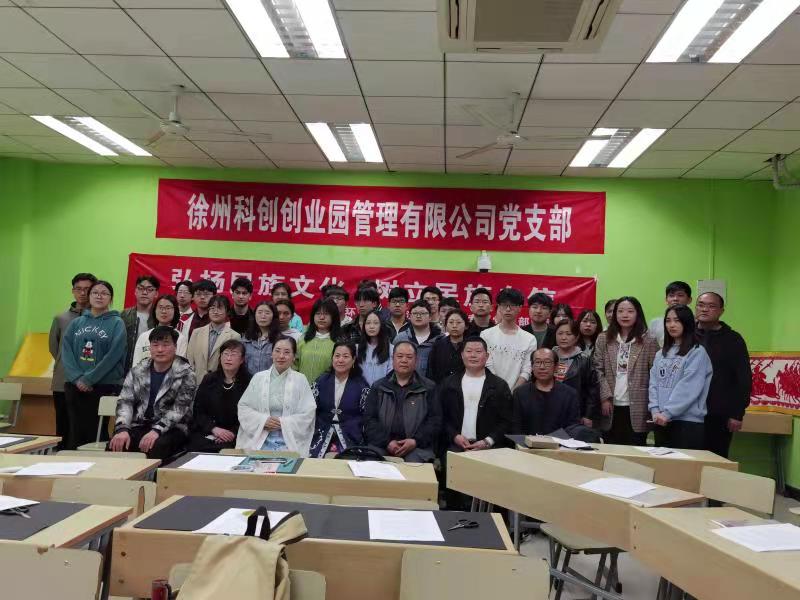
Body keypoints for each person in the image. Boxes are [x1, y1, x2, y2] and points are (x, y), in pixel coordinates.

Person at [109, 326, 196, 459]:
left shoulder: (186, 373)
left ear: (175, 347)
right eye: (155, 345)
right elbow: (125, 401)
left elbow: (179, 409)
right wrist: (123, 429)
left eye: (165, 345)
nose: (160, 349)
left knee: (156, 446)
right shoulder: (137, 371)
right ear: (149, 347)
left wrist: (156, 430)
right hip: (140, 425)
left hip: (172, 428)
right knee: (115, 444)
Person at [61, 280, 127, 450]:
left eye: (104, 293)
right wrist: (77, 378)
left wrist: (89, 379)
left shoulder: (117, 323)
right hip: (75, 386)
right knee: (75, 432)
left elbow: (114, 355)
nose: (99, 296)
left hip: (103, 386)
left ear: (111, 298)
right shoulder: (77, 323)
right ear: (89, 296)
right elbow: (66, 351)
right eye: (95, 292)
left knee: (96, 434)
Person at [594, 296, 659, 445]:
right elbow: (597, 369)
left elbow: (654, 374)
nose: (625, 315)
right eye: (620, 311)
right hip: (610, 405)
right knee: (610, 449)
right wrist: (605, 397)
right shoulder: (604, 338)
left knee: (635, 449)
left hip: (638, 406)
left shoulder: (649, 340)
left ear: (638, 314)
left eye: (630, 311)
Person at [236, 336, 316, 455]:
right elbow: (244, 407)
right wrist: (263, 421)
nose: (281, 356)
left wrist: (283, 423)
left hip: (289, 441)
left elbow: (308, 412)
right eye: (277, 351)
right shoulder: (258, 378)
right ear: (271, 354)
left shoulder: (301, 380)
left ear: (294, 356)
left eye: (287, 352)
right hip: (259, 438)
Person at [363, 341, 441, 462]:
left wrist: (415, 441)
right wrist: (387, 442)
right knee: (372, 461)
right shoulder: (379, 386)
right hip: (382, 444)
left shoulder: (428, 387)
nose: (404, 360)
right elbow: (369, 420)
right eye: (399, 356)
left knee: (413, 464)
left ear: (416, 361)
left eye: (409, 357)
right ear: (392, 359)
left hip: (417, 446)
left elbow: (435, 421)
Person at [695, 292, 752, 458]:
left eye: (711, 306)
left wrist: (737, 413)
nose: (704, 309)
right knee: (688, 460)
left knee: (715, 460)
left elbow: (743, 378)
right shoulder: (687, 335)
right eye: (700, 305)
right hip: (687, 412)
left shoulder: (733, 339)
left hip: (719, 413)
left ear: (721, 311)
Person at [649, 305, 712, 450]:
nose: (671, 325)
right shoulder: (660, 354)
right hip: (661, 420)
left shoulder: (697, 352)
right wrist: (655, 410)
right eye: (668, 321)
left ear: (687, 323)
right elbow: (653, 384)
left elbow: (689, 388)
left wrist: (667, 413)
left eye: (677, 320)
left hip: (687, 422)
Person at [49, 272, 97, 450]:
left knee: (86, 431)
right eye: (78, 289)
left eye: (87, 289)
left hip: (91, 382)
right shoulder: (61, 319)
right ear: (73, 291)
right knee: (63, 427)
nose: (83, 293)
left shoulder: (101, 319)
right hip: (63, 381)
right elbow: (54, 348)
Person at [440, 336, 513, 453]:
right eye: (469, 351)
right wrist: (454, 436)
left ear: (487, 356)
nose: (473, 355)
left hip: (489, 449)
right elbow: (440, 416)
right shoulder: (448, 384)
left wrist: (488, 441)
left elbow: (507, 420)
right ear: (462, 355)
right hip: (454, 446)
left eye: (478, 352)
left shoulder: (499, 386)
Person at [188, 340, 251, 452]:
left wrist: (232, 433)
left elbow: (250, 415)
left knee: (226, 449)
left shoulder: (249, 382)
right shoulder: (209, 379)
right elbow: (198, 411)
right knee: (195, 446)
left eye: (233, 354)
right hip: (209, 431)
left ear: (242, 360)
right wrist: (213, 429)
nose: (228, 358)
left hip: (236, 434)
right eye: (225, 354)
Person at [309, 342, 371, 458]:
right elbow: (309, 409)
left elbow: (367, 416)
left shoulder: (362, 386)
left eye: (345, 356)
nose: (340, 360)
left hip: (351, 436)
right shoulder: (321, 382)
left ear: (353, 360)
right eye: (337, 356)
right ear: (332, 358)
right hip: (321, 434)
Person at [512, 348, 580, 435]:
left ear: (556, 366)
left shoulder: (570, 394)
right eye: (537, 362)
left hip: (560, 442)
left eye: (547, 362)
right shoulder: (520, 393)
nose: (542, 367)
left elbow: (572, 428)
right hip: (526, 442)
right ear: (532, 366)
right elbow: (516, 427)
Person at [481, 288, 537, 390]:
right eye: (504, 305)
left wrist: (514, 392)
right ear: (499, 307)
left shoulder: (529, 339)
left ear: (520, 308)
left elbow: (527, 370)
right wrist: (500, 390)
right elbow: (487, 364)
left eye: (512, 305)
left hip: (517, 392)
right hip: (491, 390)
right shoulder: (486, 335)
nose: (508, 309)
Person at [553, 319, 600, 429]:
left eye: (568, 334)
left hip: (575, 412)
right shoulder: (548, 356)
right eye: (560, 333)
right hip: (550, 410)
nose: (563, 337)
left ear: (577, 337)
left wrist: (588, 415)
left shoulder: (584, 359)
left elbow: (592, 389)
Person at [186, 294, 241, 377]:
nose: (215, 312)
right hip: (196, 380)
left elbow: (233, 364)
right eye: (212, 308)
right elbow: (189, 359)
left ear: (227, 312)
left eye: (220, 308)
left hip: (219, 382)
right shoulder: (196, 332)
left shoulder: (234, 336)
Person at [131, 294, 188, 366]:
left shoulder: (180, 338)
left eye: (168, 308)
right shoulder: (144, 336)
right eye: (160, 307)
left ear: (175, 311)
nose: (164, 311)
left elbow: (179, 366)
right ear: (155, 310)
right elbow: (136, 365)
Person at [393, 300, 443, 377]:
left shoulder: (440, 339)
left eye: (422, 313)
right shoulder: (401, 338)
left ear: (430, 317)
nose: (418, 316)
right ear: (409, 316)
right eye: (415, 313)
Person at [120, 275, 159, 374]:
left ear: (156, 294)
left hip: (152, 368)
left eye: (149, 289)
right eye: (140, 288)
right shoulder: (124, 315)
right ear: (135, 291)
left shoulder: (159, 317)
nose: (144, 292)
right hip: (125, 368)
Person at [296, 298, 340, 384]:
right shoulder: (303, 339)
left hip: (327, 389)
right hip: (301, 388)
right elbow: (294, 364)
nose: (321, 317)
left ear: (334, 317)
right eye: (318, 313)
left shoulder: (339, 342)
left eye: (326, 314)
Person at [426, 309, 468, 384]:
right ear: (445, 325)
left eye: (458, 322)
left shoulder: (470, 345)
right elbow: (431, 371)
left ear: (466, 326)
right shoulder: (438, 345)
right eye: (451, 322)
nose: (454, 326)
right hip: (441, 387)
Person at [649, 281, 692, 347]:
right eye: (671, 295)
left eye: (680, 295)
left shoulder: (695, 322)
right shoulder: (655, 323)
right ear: (666, 300)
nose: (675, 299)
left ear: (689, 300)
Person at [242, 301, 280, 375]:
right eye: (259, 312)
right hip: (249, 380)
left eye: (267, 313)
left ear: (273, 316)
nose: (263, 316)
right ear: (254, 315)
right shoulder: (246, 339)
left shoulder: (279, 340)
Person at [357, 311, 394, 385]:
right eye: (368, 323)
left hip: (383, 389)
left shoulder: (391, 349)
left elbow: (391, 376)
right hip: (361, 390)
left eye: (376, 323)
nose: (371, 326)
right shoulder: (357, 348)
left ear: (382, 325)